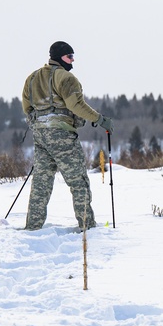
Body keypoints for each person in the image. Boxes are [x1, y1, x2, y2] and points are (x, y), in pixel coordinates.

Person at [22, 41, 114, 230]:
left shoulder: (31, 78)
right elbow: (76, 106)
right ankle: (87, 225)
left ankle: (33, 227)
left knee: (41, 182)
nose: (72, 61)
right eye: (69, 56)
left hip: (40, 134)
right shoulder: (66, 78)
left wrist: (40, 125)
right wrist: (99, 119)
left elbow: (26, 107)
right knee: (77, 181)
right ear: (59, 57)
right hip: (62, 135)